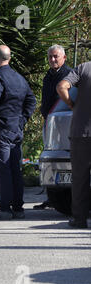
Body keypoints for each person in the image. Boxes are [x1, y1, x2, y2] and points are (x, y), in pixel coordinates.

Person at [0, 45, 36, 220]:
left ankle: (4, 208)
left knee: (4, 170)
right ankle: (18, 208)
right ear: (10, 58)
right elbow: (31, 100)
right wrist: (22, 120)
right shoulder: (19, 78)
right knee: (15, 169)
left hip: (2, 129)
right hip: (16, 129)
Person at [34, 44, 72, 210]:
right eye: (50, 56)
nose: (52, 59)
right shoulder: (49, 75)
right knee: (50, 162)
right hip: (50, 120)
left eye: (56, 56)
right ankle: (51, 196)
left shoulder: (69, 75)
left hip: (63, 123)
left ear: (64, 57)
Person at [56, 61, 91, 229]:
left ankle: (79, 219)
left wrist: (72, 105)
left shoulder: (84, 68)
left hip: (81, 131)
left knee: (80, 178)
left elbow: (62, 86)